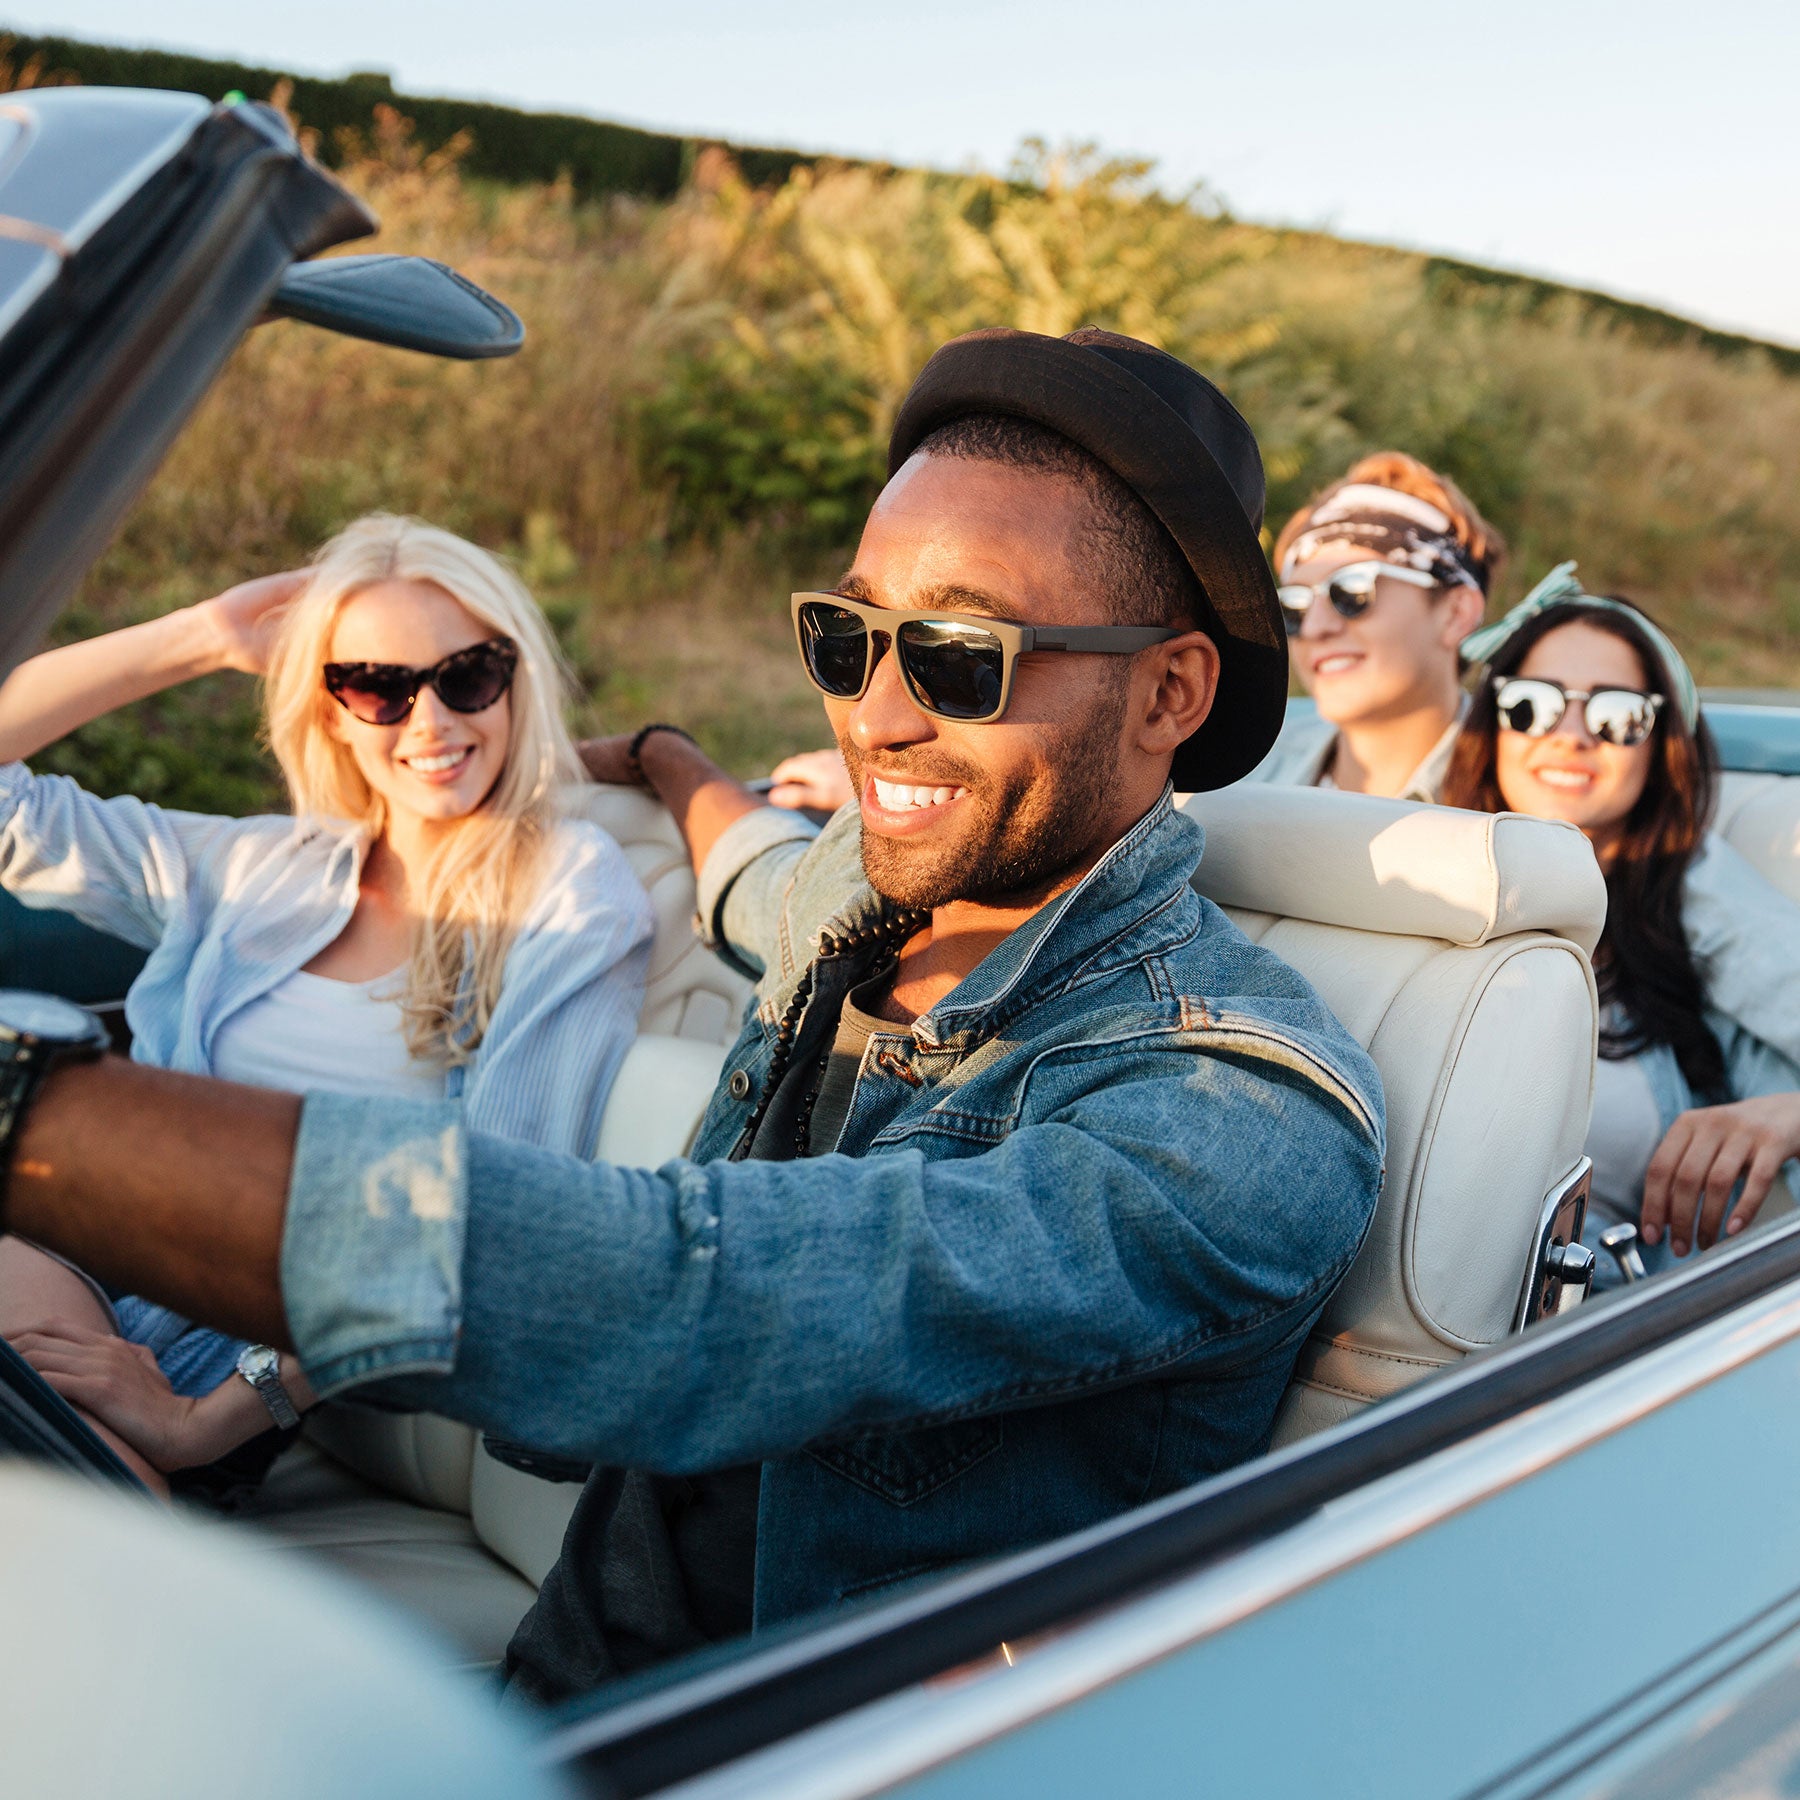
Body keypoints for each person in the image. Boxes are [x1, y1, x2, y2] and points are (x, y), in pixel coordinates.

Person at [0, 329, 1385, 1690]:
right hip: (577, 1666)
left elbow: (701, 1305)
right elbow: (754, 881)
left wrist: (32, 1114)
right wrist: (670, 759)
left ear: (1170, 692)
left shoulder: (1235, 1110)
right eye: (848, 639)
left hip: (799, 1746)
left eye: (960, 656)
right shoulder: (863, 895)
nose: (876, 718)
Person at [0, 515, 652, 1490]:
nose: (429, 723)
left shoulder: (565, 891)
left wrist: (211, 1421)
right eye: (377, 687)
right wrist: (200, 638)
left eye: (467, 675)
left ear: (517, 679)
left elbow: (496, 1216)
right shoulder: (271, 867)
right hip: (78, 1246)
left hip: (217, 1353)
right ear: (332, 711)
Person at [1442, 564, 1800, 1273]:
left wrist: (1791, 1114)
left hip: (1597, 1341)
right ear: (1496, 723)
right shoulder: (1417, 875)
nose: (1572, 735)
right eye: (1534, 706)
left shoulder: (1693, 897)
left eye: (1616, 715)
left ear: (1658, 743)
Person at [1247, 451, 1503, 798]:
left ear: (1457, 613)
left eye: (1350, 591)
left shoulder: (1521, 795)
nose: (1314, 628)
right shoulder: (1244, 767)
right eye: (1295, 605)